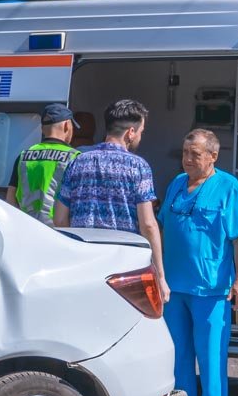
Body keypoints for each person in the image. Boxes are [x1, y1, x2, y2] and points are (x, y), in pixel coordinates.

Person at [159, 129, 238, 396]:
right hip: (174, 287)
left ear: (213, 156)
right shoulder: (177, 183)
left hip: (210, 288)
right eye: (185, 153)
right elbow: (162, 228)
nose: (188, 159)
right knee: (178, 353)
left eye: (195, 154)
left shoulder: (227, 186)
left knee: (211, 353)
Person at [54, 99, 169, 300]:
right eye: (141, 131)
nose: (140, 136)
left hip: (83, 261)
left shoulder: (78, 161)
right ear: (130, 133)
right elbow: (148, 225)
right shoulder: (138, 166)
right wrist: (160, 275)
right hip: (124, 267)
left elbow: (60, 219)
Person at [6, 103, 81, 225]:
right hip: (59, 232)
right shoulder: (75, 157)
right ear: (67, 125)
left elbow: (10, 198)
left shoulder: (23, 156)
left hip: (27, 229)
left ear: (42, 128)